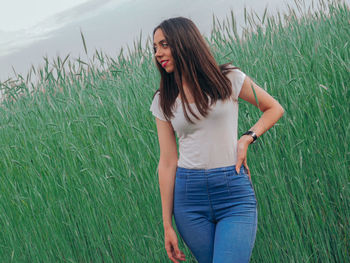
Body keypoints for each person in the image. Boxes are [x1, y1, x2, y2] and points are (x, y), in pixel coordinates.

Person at [149, 17, 284, 263]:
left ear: (184, 42)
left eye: (164, 44)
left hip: (233, 192)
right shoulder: (164, 99)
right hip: (189, 200)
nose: (158, 53)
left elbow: (273, 108)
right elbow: (167, 162)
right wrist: (167, 225)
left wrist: (246, 139)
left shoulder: (228, 79)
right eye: (155, 47)